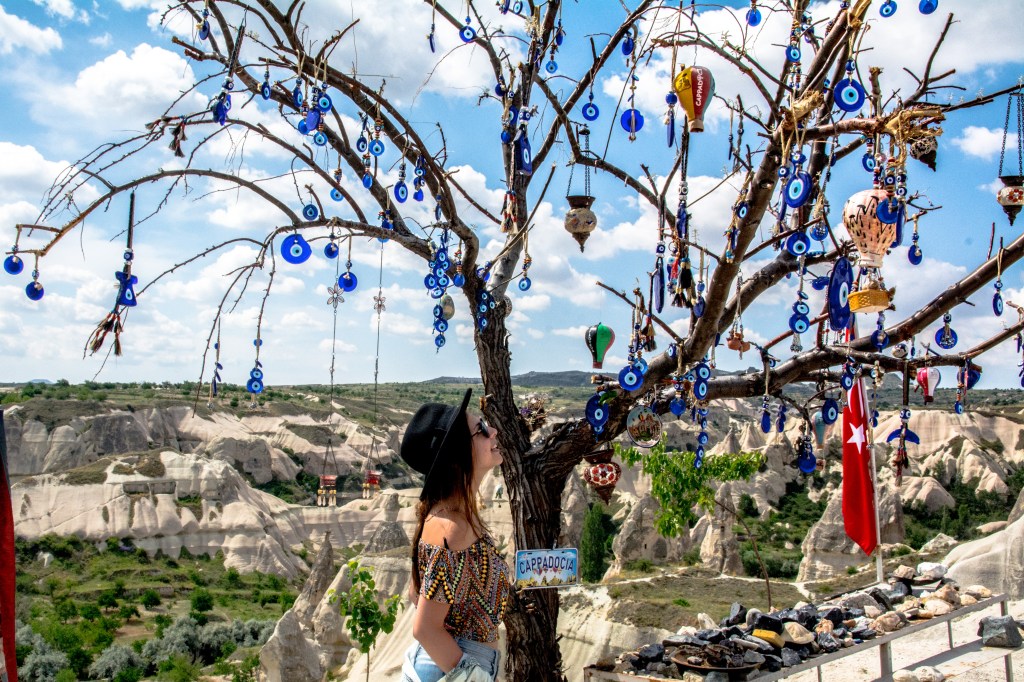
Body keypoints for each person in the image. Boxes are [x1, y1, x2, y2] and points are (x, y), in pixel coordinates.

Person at [399, 389, 510, 682]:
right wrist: (474, 678)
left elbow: (416, 592)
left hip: (452, 662)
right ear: (459, 453)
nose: (493, 431)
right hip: (454, 667)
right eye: (482, 429)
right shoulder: (453, 528)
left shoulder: (446, 515)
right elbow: (424, 628)